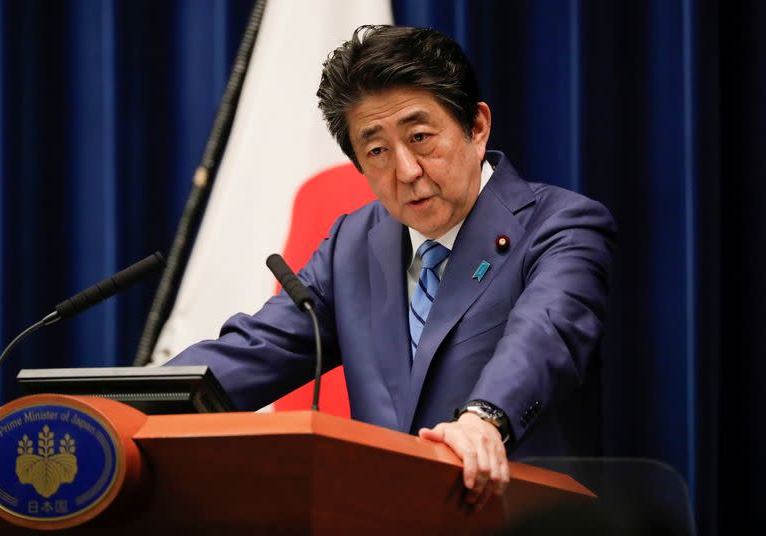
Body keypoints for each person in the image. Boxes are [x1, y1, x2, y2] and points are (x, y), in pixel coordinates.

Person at [166, 25, 615, 511]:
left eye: (420, 137)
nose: (406, 171)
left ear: (477, 126)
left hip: (518, 518)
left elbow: (545, 334)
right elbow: (257, 350)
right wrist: (119, 405)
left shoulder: (562, 225)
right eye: (377, 151)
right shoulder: (353, 245)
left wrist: (485, 418)